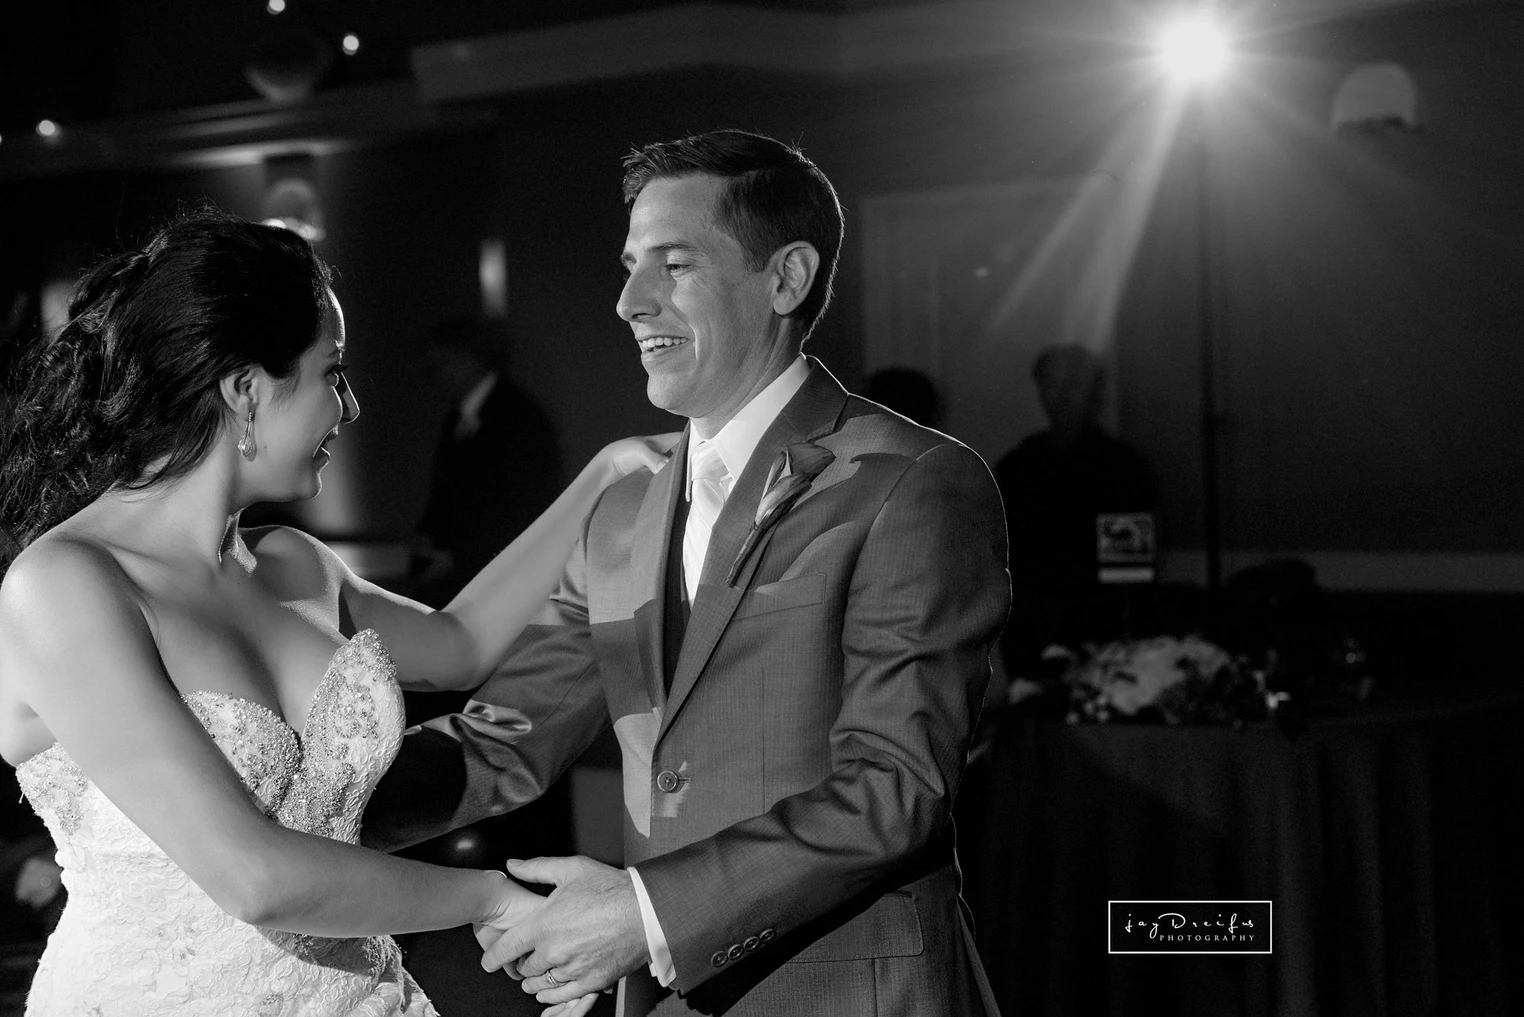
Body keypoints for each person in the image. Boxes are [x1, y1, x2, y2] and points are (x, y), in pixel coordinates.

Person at [364, 129, 1011, 1016]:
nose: (630, 301)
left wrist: (648, 912)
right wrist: (294, 813)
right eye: (631, 267)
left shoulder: (912, 481)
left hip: (851, 991)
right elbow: (503, 736)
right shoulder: (624, 509)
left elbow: (897, 787)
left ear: (786, 278)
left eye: (673, 265)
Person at [0, 210, 671, 1016]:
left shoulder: (295, 563)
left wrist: (603, 476)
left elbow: (460, 644)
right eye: (333, 372)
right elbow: (253, 877)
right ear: (246, 390)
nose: (349, 408)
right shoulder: (65, 585)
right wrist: (492, 898)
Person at [993, 344, 1157, 677]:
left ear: (1092, 391)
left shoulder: (1123, 468)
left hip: (1100, 631)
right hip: (1028, 630)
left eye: (1074, 384)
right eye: (1053, 384)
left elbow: (1131, 570)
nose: (1063, 395)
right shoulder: (1017, 467)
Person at [411, 316, 563, 609]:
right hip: (460, 581)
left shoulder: (520, 418)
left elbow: (527, 506)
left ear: (470, 357)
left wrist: (458, 557)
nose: (433, 375)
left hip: (498, 582)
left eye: (441, 363)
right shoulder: (456, 419)